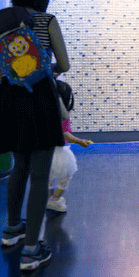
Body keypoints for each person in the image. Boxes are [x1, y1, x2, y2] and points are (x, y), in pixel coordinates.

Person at [0, 0, 70, 271]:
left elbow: (0, 73)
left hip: (11, 100)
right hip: (40, 99)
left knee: (18, 167)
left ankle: (12, 230)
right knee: (39, 175)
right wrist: (48, 69)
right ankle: (32, 250)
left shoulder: (6, 23)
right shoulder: (47, 21)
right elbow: (65, 63)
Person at [46, 78, 93, 214]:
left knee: (48, 177)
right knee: (64, 177)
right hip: (59, 152)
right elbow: (65, 133)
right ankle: (54, 200)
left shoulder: (43, 111)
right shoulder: (63, 115)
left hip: (43, 151)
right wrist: (80, 141)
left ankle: (49, 198)